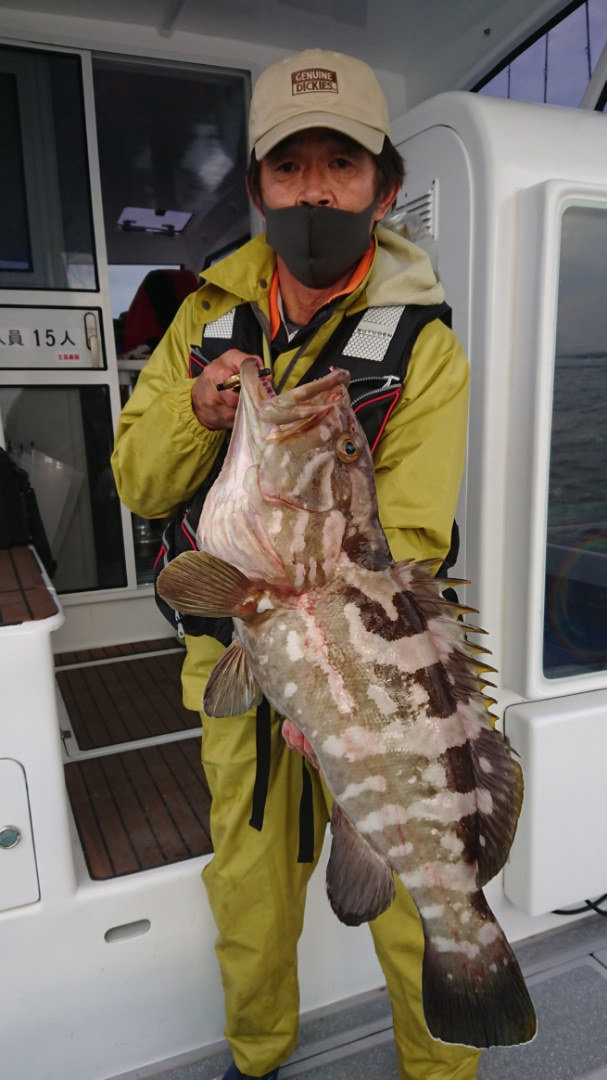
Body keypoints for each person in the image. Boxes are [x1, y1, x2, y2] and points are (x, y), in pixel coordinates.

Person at [111, 48, 479, 1080]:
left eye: (342, 164)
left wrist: (340, 695)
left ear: (384, 185)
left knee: (407, 897)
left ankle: (445, 1067)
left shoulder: (426, 346)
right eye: (290, 166)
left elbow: (406, 538)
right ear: (257, 189)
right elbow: (139, 485)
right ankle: (257, 1059)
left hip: (366, 680)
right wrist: (193, 413)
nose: (316, 188)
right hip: (235, 665)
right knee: (250, 895)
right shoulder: (200, 323)